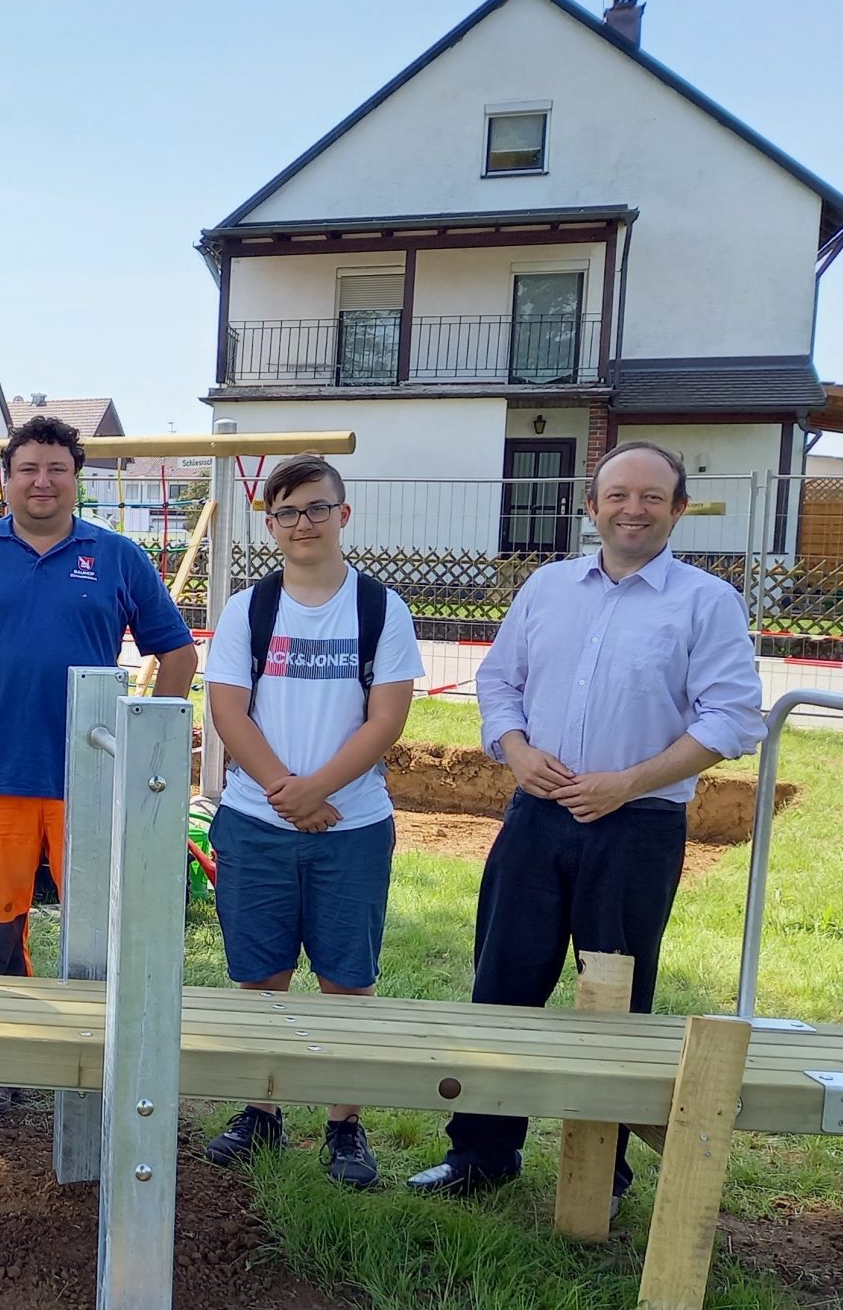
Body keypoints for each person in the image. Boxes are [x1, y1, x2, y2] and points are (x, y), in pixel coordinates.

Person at [407, 440, 764, 1208]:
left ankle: (601, 1174)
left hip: (636, 830)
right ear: (591, 504)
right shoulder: (547, 587)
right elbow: (499, 682)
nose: (632, 508)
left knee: (616, 1000)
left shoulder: (707, 603)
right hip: (535, 817)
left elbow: (733, 717)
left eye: (651, 497)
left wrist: (628, 784)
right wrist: (516, 751)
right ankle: (481, 1154)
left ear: (678, 509)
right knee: (503, 982)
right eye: (618, 495)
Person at [0, 415, 198, 1118]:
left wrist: (146, 743)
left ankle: (96, 1060)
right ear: (6, 480)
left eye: (56, 469)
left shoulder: (117, 558)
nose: (42, 481)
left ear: (75, 479)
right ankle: (1, 1062)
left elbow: (177, 654)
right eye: (28, 469)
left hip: (94, 782)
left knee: (99, 935)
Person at [199, 456, 421, 1186]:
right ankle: (261, 1111)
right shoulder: (248, 610)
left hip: (349, 827)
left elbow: (386, 719)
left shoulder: (381, 609)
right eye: (288, 512)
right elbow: (228, 709)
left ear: (343, 515)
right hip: (255, 823)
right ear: (270, 525)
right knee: (261, 977)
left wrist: (314, 790)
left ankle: (344, 1127)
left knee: (346, 981)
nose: (303, 524)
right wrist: (281, 790)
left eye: (317, 509)